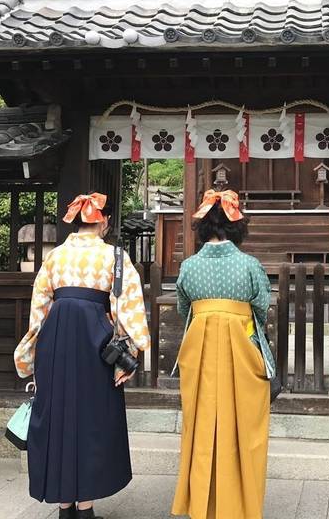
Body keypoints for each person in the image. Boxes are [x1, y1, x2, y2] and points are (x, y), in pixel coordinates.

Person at [14, 192, 150, 519]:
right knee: (93, 419)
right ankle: (86, 508)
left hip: (55, 339)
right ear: (102, 221)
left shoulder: (55, 257)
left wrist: (32, 353)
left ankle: (64, 507)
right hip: (96, 342)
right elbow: (127, 309)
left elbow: (39, 307)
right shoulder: (115, 257)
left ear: (77, 220)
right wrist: (130, 353)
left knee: (58, 416)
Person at [171, 189, 275, 519]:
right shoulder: (249, 265)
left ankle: (203, 505)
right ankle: (241, 506)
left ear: (203, 227)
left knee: (201, 427)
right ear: (235, 227)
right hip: (242, 350)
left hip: (199, 351)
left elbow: (182, 308)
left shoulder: (189, 266)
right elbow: (261, 307)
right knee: (245, 428)